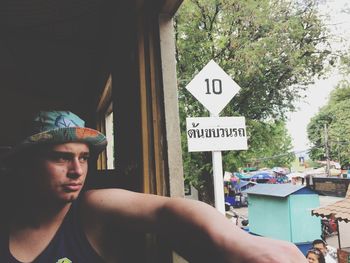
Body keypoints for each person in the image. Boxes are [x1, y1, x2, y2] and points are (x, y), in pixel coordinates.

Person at [0, 110, 307, 263]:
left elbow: (167, 210)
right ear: (27, 165)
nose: (77, 170)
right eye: (60, 158)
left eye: (83, 157)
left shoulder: (91, 209)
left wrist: (240, 242)